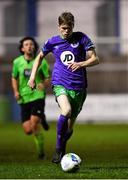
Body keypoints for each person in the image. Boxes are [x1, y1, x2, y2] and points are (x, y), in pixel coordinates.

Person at [28, 12, 99, 163]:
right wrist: (32, 77)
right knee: (65, 111)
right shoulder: (53, 41)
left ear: (73, 26)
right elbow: (39, 57)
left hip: (79, 87)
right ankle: (58, 149)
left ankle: (63, 147)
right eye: (64, 28)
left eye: (69, 28)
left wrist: (81, 63)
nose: (66, 31)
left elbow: (95, 59)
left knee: (69, 127)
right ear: (59, 26)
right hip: (60, 82)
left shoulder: (82, 38)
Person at [11, 36, 50, 159]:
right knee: (28, 130)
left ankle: (41, 153)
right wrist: (16, 91)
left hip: (37, 95)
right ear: (22, 48)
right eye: (27, 44)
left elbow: (48, 78)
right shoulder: (17, 62)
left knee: (34, 124)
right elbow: (14, 77)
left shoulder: (41, 61)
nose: (30, 46)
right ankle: (41, 117)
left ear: (35, 47)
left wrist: (43, 84)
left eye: (32, 44)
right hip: (24, 97)